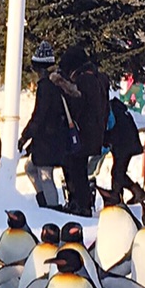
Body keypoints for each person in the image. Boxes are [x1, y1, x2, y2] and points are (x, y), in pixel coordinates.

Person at [17, 41, 80, 209]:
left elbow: (39, 115)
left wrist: (25, 136)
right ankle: (44, 201)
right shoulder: (58, 84)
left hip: (47, 139)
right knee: (31, 168)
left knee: (45, 174)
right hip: (56, 137)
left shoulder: (45, 87)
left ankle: (52, 207)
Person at [55, 45, 109, 214]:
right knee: (80, 169)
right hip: (95, 132)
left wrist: (66, 91)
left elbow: (80, 104)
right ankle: (81, 202)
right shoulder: (97, 78)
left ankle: (81, 204)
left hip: (83, 133)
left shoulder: (84, 80)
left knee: (77, 168)